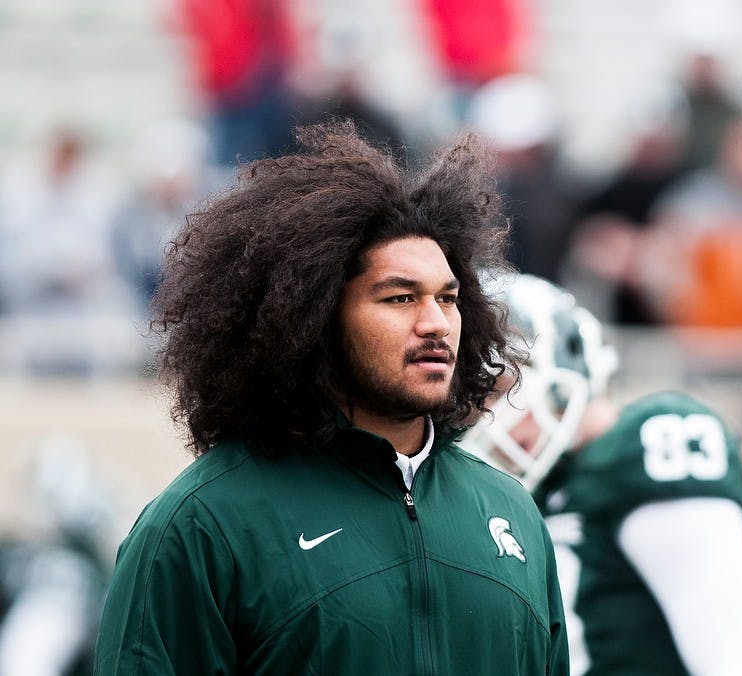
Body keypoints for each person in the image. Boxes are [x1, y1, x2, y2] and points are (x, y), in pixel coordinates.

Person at [93, 121, 569, 675]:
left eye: (448, 298)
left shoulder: (512, 512)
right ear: (312, 316)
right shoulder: (201, 526)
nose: (436, 323)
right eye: (399, 298)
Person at [463, 274, 742, 675]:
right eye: (473, 399)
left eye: (499, 387)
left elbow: (737, 664)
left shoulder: (651, 445)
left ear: (564, 363)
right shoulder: (526, 494)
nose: (484, 416)